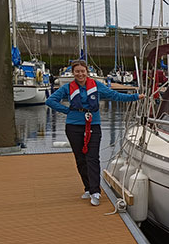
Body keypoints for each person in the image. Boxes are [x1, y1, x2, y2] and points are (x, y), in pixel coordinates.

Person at [46, 60, 142, 206]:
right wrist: (69, 111)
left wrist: (135, 97)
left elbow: (115, 95)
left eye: (82, 71)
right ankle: (88, 187)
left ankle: (95, 191)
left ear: (87, 72)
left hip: (93, 125)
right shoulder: (67, 88)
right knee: (80, 159)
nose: (80, 74)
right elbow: (50, 101)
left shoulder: (96, 86)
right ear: (73, 73)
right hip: (73, 126)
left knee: (92, 158)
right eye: (77, 71)